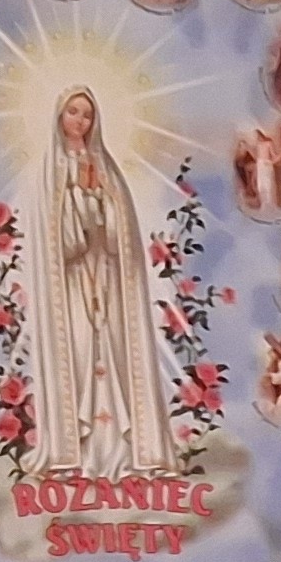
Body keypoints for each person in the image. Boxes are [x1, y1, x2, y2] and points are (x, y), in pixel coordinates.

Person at [38, 90, 172, 476]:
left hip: (109, 278)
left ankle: (122, 453)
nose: (80, 121)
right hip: (71, 284)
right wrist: (77, 199)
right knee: (79, 353)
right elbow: (58, 241)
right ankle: (76, 454)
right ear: (59, 116)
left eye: (87, 115)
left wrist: (101, 199)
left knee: (114, 351)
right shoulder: (50, 171)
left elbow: (120, 233)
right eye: (73, 112)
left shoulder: (106, 167)